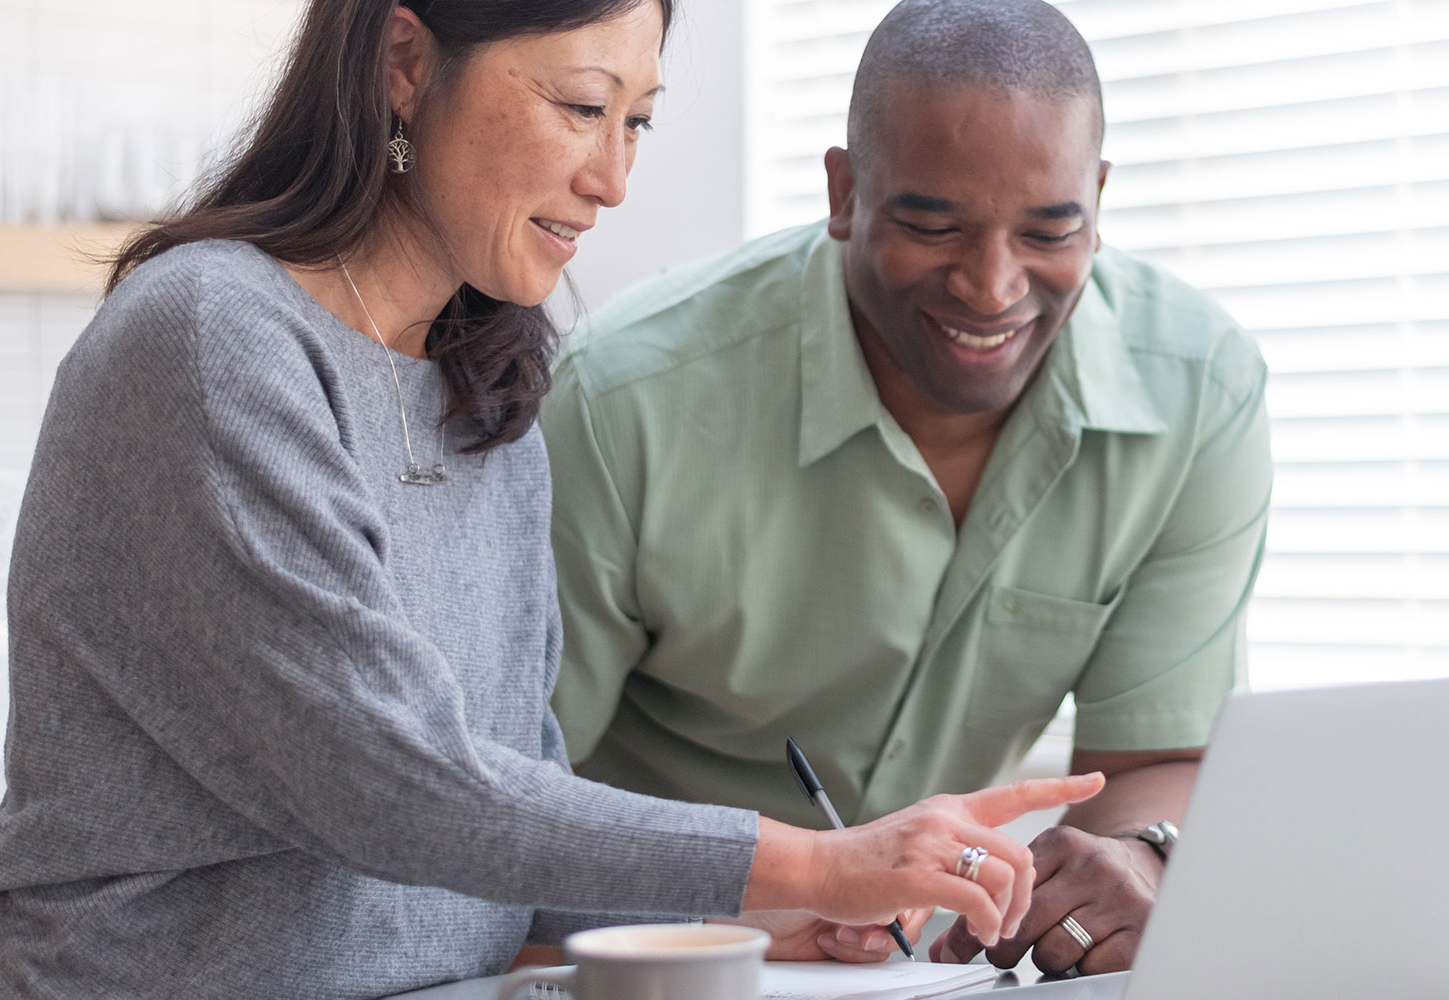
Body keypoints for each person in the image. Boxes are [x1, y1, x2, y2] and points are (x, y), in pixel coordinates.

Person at [0, 1, 1099, 997]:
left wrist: (753, 926)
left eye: (637, 121)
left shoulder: (482, 392)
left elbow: (507, 822)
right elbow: (393, 788)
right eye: (582, 107)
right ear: (403, 62)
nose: (613, 177)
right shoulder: (212, 340)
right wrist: (813, 862)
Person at [543, 0, 1271, 978]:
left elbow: (1156, 761)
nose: (992, 286)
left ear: (1097, 199)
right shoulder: (621, 401)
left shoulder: (1198, 390)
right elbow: (497, 797)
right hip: (661, 964)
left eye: (1051, 229)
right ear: (844, 194)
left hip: (931, 977)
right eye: (934, 225)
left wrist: (1134, 860)